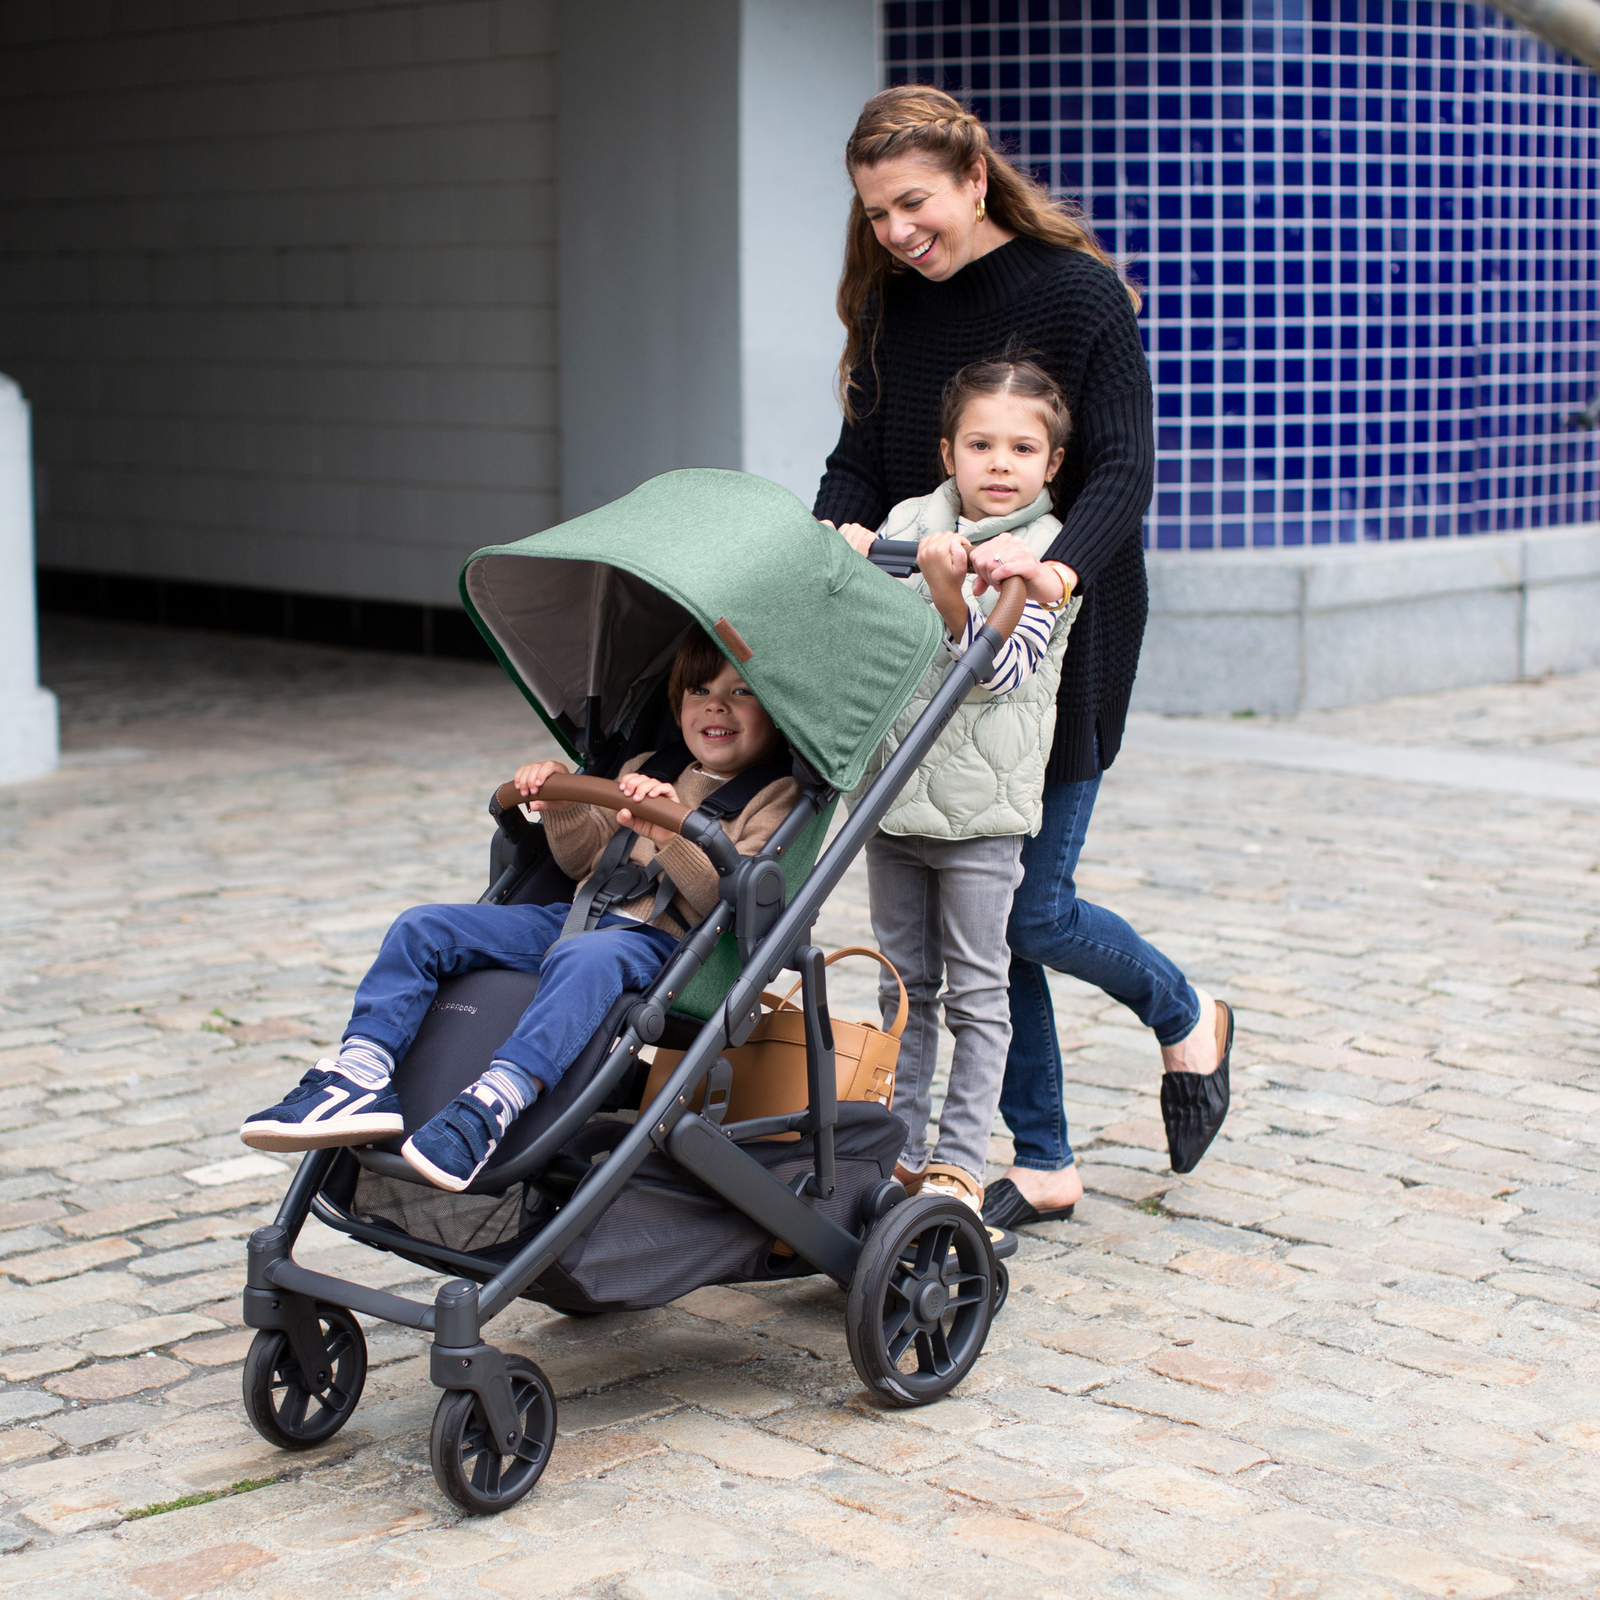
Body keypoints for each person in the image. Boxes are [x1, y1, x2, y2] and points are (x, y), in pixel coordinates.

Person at [816, 86, 1232, 1230]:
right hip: (933, 634)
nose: (895, 231)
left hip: (1068, 631)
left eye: (912, 204)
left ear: (972, 181)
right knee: (986, 898)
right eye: (874, 213)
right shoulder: (894, 307)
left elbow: (1122, 473)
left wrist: (1056, 573)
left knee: (1030, 909)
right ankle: (1043, 1158)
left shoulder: (1078, 295)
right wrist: (832, 537)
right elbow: (861, 461)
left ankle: (1185, 1008)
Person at [240, 631, 798, 1191]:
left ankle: (493, 1103)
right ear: (677, 703)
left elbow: (729, 898)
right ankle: (360, 1075)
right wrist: (560, 804)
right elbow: (583, 860)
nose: (716, 705)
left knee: (588, 957)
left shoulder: (775, 797)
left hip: (665, 947)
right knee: (423, 927)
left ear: (775, 715)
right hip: (575, 915)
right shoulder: (648, 762)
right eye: (699, 690)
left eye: (742, 692)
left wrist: (673, 832)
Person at [840, 357, 1078, 1214]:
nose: (1001, 464)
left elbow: (999, 671)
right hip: (893, 801)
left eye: (1023, 447)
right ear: (950, 453)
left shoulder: (1046, 556)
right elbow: (868, 639)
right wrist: (859, 562)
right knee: (902, 985)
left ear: (1052, 465)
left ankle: (960, 1164)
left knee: (980, 993)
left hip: (983, 815)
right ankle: (892, 1148)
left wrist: (950, 601)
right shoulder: (909, 523)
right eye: (982, 444)